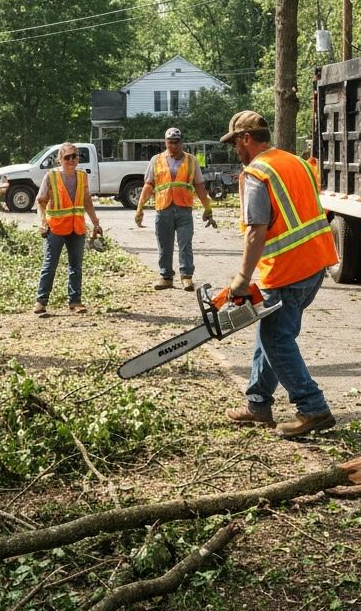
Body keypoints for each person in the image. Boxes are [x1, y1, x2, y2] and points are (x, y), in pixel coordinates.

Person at [220, 110, 338, 438]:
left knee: (277, 339)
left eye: (235, 143)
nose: (235, 151)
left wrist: (242, 280)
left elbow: (256, 231)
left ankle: (312, 407)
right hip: (316, 263)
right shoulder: (294, 162)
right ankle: (258, 403)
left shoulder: (257, 173)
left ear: (246, 138)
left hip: (288, 269)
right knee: (271, 334)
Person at [135, 127, 216, 291]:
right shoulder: (156, 160)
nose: (173, 145)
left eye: (176, 142)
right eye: (170, 142)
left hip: (184, 209)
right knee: (164, 244)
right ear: (165, 142)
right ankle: (166, 277)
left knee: (185, 244)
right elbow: (149, 184)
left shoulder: (192, 160)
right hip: (163, 208)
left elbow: (200, 186)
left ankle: (186, 277)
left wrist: (208, 208)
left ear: (181, 142)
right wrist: (140, 208)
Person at [34, 143, 102, 315]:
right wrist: (42, 222)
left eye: (75, 156)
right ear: (60, 159)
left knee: (76, 266)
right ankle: (41, 302)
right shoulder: (51, 176)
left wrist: (95, 222)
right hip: (55, 228)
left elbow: (86, 200)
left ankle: (75, 301)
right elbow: (40, 201)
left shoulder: (82, 176)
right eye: (67, 157)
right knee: (50, 265)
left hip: (76, 228)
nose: (71, 160)